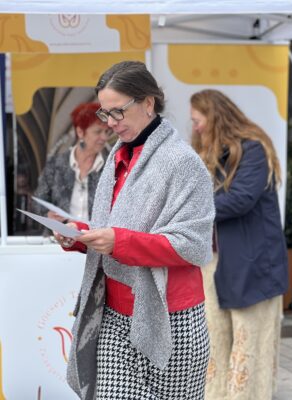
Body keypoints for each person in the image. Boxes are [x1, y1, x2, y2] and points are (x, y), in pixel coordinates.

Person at [53, 61, 215, 400]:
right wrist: (79, 235)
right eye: (105, 113)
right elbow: (113, 229)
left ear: (148, 103)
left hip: (173, 318)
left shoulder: (183, 162)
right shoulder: (118, 157)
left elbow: (193, 244)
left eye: (118, 112)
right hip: (113, 314)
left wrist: (118, 242)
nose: (110, 123)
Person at [190, 89, 288, 400]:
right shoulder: (204, 153)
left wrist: (189, 211)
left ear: (215, 117)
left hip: (252, 261)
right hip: (213, 261)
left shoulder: (253, 149)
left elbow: (241, 199)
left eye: (198, 120)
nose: (195, 127)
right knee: (214, 339)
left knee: (250, 341)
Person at [34, 102, 111, 223]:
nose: (104, 138)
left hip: (97, 235)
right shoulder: (55, 164)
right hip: (60, 234)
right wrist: (48, 214)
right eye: (98, 131)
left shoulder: (111, 166)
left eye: (107, 132)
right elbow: (38, 200)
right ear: (80, 132)